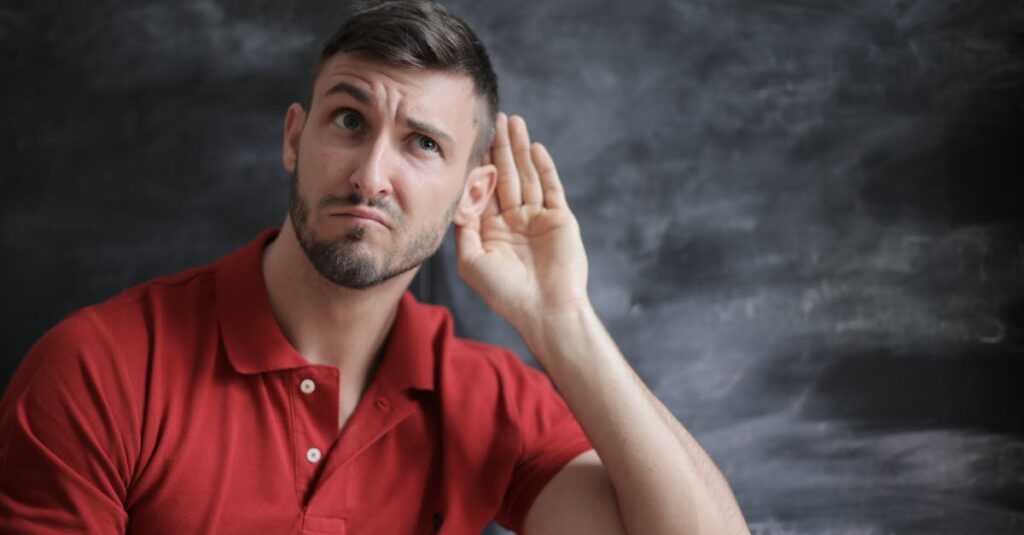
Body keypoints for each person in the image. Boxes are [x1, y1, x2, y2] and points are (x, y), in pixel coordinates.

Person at [0, 1, 748, 533]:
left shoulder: (485, 399)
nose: (369, 175)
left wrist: (564, 321)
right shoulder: (98, 368)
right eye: (349, 121)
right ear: (296, 138)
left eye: (422, 143)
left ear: (473, 192)